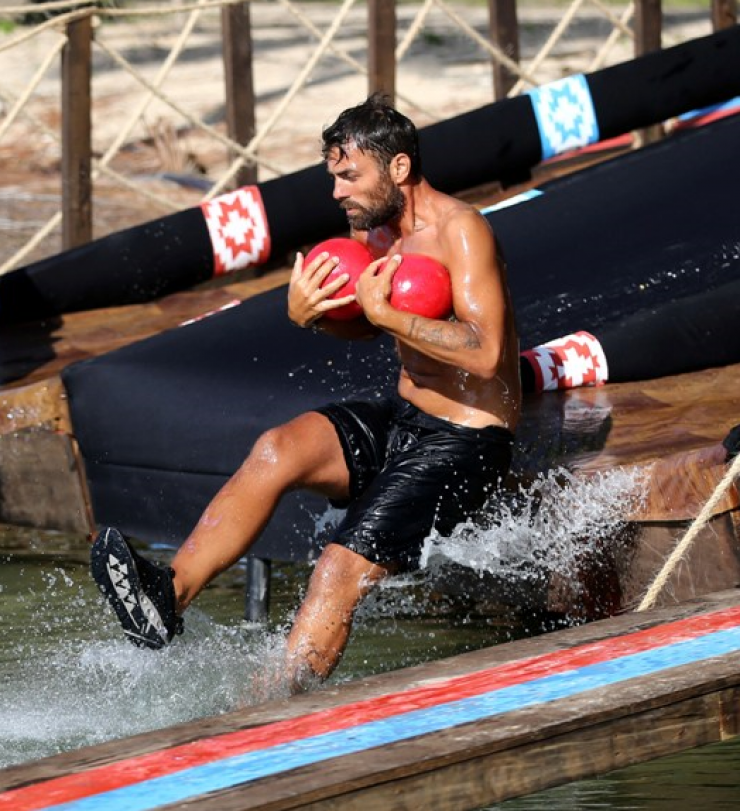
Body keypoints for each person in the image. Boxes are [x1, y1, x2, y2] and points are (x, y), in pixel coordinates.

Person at [91, 94, 522, 691]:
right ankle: (167, 598)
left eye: (350, 176)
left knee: (335, 570)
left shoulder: (462, 231)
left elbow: (485, 351)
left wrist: (388, 318)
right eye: (334, 178)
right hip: (404, 417)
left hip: (467, 441)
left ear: (398, 168)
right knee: (277, 448)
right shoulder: (379, 232)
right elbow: (370, 319)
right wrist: (313, 316)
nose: (338, 192)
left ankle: (280, 709)